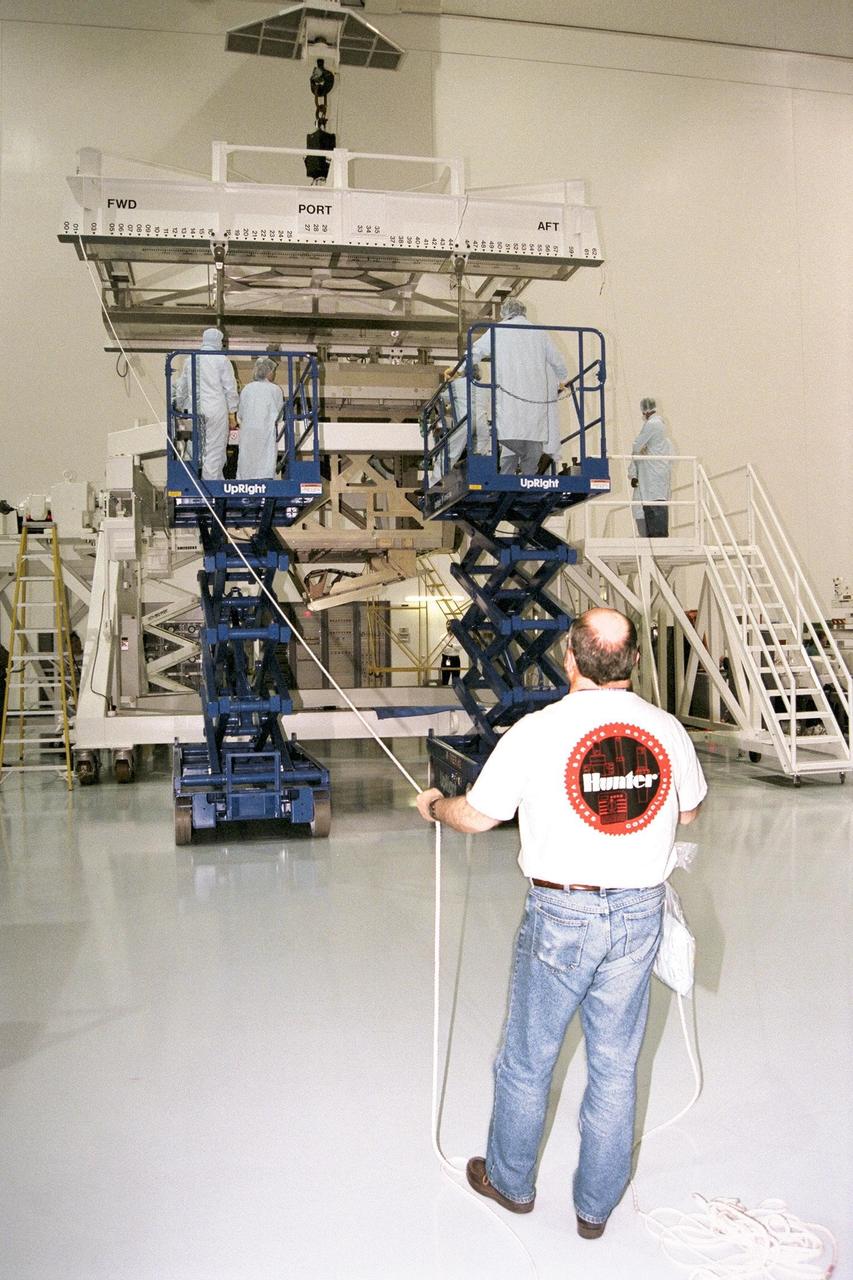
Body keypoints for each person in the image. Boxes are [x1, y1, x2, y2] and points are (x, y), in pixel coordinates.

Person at [416, 607, 706, 1239]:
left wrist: (437, 807)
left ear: (569, 659)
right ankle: (595, 1209)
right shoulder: (665, 730)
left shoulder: (536, 731)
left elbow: (479, 817)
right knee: (614, 1063)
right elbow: (687, 813)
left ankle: (511, 1182)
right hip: (639, 916)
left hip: (561, 915)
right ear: (632, 662)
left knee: (527, 1058)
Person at [472, 299, 569, 475]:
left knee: (510, 442)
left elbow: (476, 351)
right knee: (532, 448)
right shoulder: (539, 333)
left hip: (509, 403)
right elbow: (558, 361)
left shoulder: (499, 331)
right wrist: (563, 379)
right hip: (535, 406)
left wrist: (461, 369)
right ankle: (528, 483)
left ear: (505, 312)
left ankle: (507, 482)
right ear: (523, 311)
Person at [176, 327, 239, 481]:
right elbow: (230, 388)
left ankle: (195, 481)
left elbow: (181, 387)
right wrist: (232, 412)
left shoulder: (190, 359)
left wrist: (179, 406)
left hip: (194, 411)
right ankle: (212, 486)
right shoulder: (222, 360)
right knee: (215, 449)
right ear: (219, 342)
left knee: (195, 448)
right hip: (216, 409)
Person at [628, 398, 674, 537]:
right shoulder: (662, 436)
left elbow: (636, 446)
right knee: (650, 508)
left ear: (645, 411)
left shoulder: (652, 425)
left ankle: (655, 540)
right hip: (652, 482)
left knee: (654, 509)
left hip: (653, 482)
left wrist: (640, 449)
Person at [236, 356, 284, 480]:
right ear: (269, 372)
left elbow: (240, 413)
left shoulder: (247, 389)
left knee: (247, 458)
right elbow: (280, 414)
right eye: (273, 371)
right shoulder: (275, 390)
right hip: (266, 431)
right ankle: (265, 480)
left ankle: (244, 481)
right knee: (265, 460)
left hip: (248, 432)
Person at [439, 621, 462, 686]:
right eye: (448, 624)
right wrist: (455, 647)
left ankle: (456, 694)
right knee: (445, 679)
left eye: (451, 624)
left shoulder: (458, 636)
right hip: (446, 658)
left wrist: (451, 645)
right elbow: (445, 649)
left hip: (456, 659)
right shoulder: (442, 637)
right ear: (446, 625)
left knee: (456, 679)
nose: (449, 626)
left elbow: (461, 647)